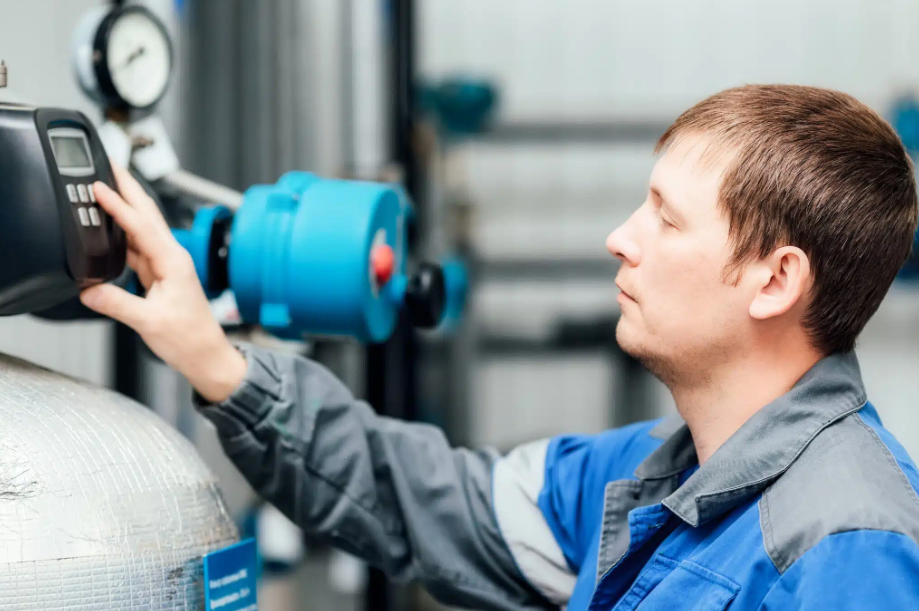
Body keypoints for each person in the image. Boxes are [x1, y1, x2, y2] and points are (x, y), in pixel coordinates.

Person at [81, 84, 919, 610]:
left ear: (774, 281)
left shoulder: (849, 544)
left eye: (666, 220)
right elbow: (422, 498)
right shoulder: (634, 478)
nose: (619, 238)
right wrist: (216, 361)